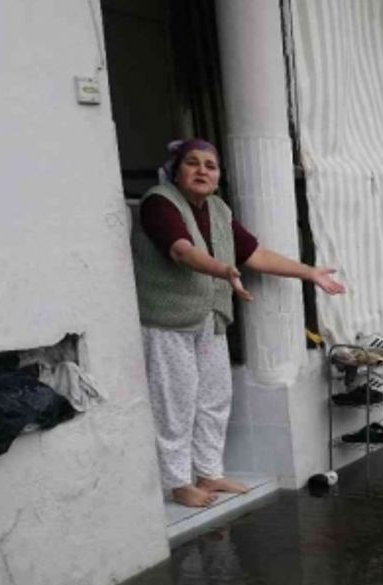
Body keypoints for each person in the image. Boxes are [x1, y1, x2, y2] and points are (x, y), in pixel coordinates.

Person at [132, 139, 346, 507]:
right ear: (176, 170)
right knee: (176, 403)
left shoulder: (217, 208)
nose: (202, 171)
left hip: (210, 319)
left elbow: (256, 254)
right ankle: (178, 482)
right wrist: (223, 269)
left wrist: (309, 272)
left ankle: (209, 473)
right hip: (168, 321)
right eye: (193, 163)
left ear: (218, 176)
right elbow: (181, 250)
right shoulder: (159, 202)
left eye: (210, 166)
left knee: (215, 398)